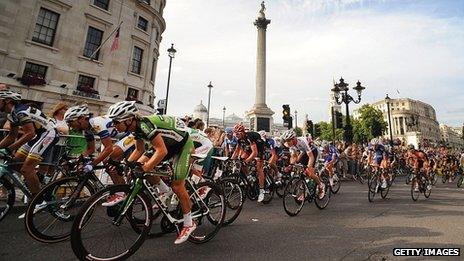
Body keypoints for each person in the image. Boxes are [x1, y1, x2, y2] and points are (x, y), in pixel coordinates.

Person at [107, 101, 196, 244]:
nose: (114, 125)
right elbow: (138, 150)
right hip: (166, 143)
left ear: (129, 119)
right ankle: (164, 190)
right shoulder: (135, 128)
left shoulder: (144, 125)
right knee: (140, 165)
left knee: (177, 185)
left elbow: (162, 151)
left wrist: (144, 168)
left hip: (182, 145)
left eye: (116, 122)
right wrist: (126, 164)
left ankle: (188, 223)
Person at [64, 105, 135, 205]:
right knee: (109, 164)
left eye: (71, 122)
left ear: (82, 119)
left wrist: (92, 164)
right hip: (121, 138)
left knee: (108, 160)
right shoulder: (87, 130)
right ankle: (123, 189)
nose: (70, 126)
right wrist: (78, 159)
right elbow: (90, 149)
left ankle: (121, 193)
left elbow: (108, 148)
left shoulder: (96, 123)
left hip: (130, 135)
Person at [0, 90, 58, 196]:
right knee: (14, 163)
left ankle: (38, 200)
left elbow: (30, 133)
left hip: (48, 134)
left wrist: (9, 149)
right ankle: (35, 181)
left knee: (27, 169)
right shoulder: (12, 114)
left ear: (7, 101)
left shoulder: (20, 112)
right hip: (38, 135)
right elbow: (11, 136)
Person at [281, 130, 325, 199]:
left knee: (309, 172)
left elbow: (311, 157)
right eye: (286, 140)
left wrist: (308, 167)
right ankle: (305, 190)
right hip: (303, 152)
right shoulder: (291, 145)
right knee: (299, 170)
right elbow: (294, 157)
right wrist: (291, 165)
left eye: (288, 140)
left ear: (293, 139)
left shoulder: (302, 141)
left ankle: (320, 185)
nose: (287, 142)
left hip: (313, 152)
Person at [231, 123, 267, 202]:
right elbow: (237, 150)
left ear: (242, 132)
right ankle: (248, 176)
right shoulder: (240, 139)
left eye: (237, 134)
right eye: (235, 134)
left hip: (259, 149)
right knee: (241, 161)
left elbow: (255, 153)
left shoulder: (249, 137)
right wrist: (231, 160)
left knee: (259, 168)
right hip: (249, 148)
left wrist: (247, 161)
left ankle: (261, 190)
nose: (236, 135)